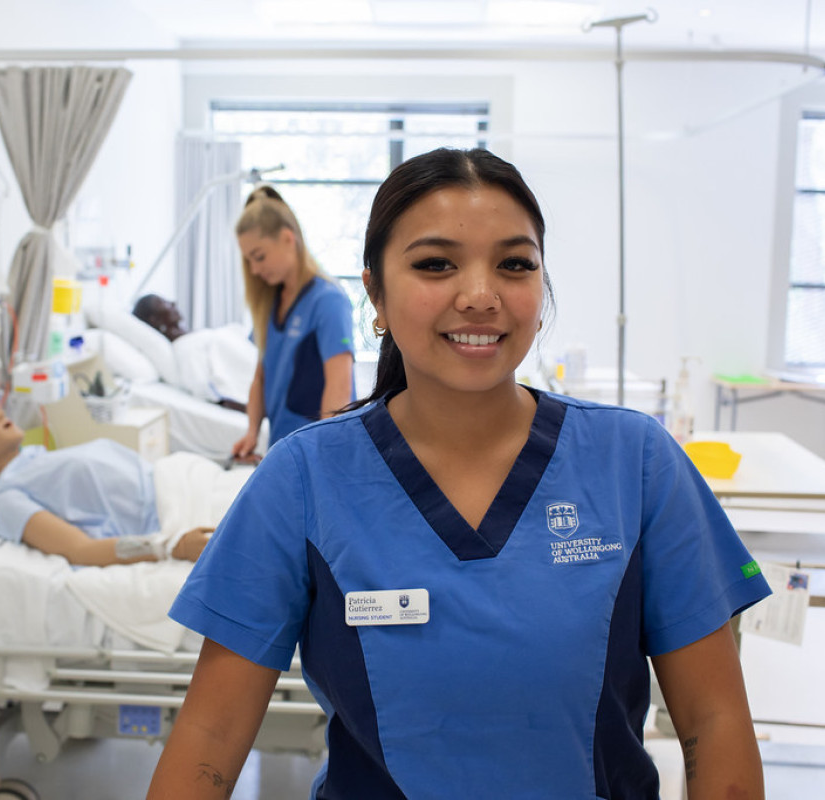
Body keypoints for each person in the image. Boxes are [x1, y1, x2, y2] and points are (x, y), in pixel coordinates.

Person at [147, 149, 770, 799]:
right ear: (376, 295)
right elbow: (210, 737)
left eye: (515, 264)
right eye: (435, 264)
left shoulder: (634, 463)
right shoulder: (303, 480)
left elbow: (714, 719)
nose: (479, 296)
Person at [0, 405, 212, 566]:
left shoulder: (33, 459)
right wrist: (172, 547)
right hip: (172, 515)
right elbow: (81, 550)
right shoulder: (7, 496)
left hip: (182, 483)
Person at [231, 185, 356, 457]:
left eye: (259, 256)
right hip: (283, 448)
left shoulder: (328, 301)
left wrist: (325, 455)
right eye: (248, 260)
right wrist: (252, 432)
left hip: (318, 449)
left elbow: (340, 388)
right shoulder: (270, 303)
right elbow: (261, 378)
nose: (254, 269)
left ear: (288, 239)